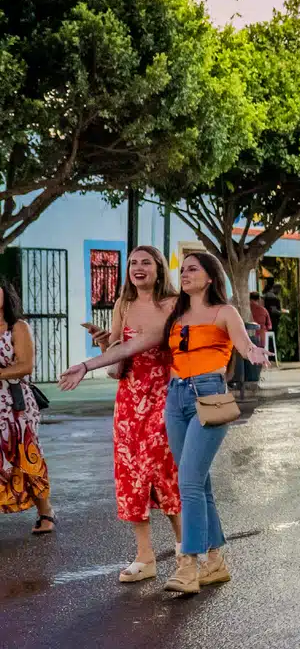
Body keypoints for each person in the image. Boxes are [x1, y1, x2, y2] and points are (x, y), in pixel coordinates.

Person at [61, 252, 267, 592]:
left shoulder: (223, 312)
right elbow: (133, 346)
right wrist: (86, 365)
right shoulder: (176, 315)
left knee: (186, 482)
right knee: (199, 483)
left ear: (211, 276)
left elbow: (243, 344)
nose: (184, 274)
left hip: (207, 395)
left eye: (192, 269)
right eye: (182, 269)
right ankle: (215, 561)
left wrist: (253, 352)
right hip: (175, 397)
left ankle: (187, 565)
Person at [106, 247, 181, 581]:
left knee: (164, 469)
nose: (138, 268)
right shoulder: (122, 305)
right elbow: (115, 355)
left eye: (145, 262)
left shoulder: (174, 304)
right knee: (131, 473)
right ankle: (144, 557)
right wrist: (106, 346)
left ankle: (185, 549)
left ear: (159, 268)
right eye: (133, 263)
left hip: (165, 394)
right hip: (128, 399)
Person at [0, 279, 53, 536]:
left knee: (26, 455)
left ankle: (45, 511)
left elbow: (25, 366)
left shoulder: (17, 327)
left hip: (14, 404)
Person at [248, 292, 272, 360]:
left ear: (249, 299)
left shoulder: (246, 309)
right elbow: (269, 326)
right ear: (258, 299)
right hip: (261, 339)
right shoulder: (263, 310)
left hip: (248, 338)